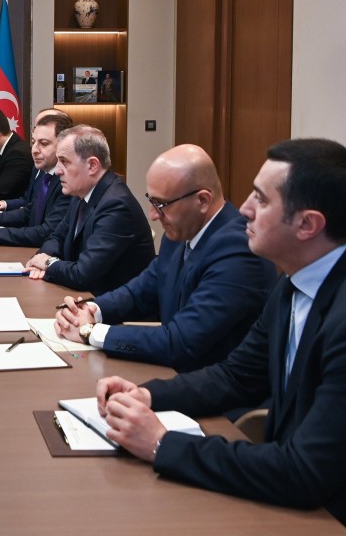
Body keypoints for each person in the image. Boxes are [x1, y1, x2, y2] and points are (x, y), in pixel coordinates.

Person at [96, 139, 346, 535]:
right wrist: (148, 395)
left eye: (261, 200)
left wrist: (162, 443)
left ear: (307, 225)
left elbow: (303, 472)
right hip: (320, 506)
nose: (244, 209)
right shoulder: (295, 283)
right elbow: (236, 376)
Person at [54, 144, 276, 371]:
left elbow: (181, 341)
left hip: (208, 383)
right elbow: (139, 292)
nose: (153, 215)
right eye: (151, 201)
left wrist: (91, 332)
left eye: (161, 205)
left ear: (202, 200)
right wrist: (90, 310)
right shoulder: (180, 231)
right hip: (173, 373)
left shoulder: (239, 251)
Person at [25, 125, 154, 295]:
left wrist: (48, 264)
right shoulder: (81, 193)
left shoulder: (116, 205)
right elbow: (57, 237)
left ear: (92, 165)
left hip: (111, 304)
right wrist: (41, 259)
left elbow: (83, 274)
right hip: (83, 296)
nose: (57, 171)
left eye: (64, 162)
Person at [0, 112, 72, 247]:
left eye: (44, 144)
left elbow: (46, 233)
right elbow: (28, 212)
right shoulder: (45, 175)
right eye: (33, 142)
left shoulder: (67, 182)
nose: (34, 150)